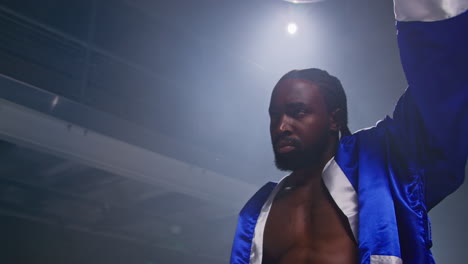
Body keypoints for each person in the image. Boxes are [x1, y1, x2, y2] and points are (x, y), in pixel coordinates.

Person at [230, 0, 468, 263]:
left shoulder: (382, 161)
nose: (282, 126)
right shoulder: (257, 211)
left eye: (298, 112)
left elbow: (442, 80)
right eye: (275, 116)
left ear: (334, 119)